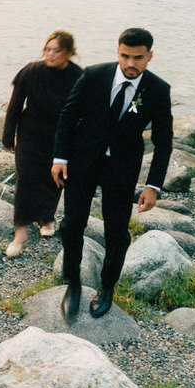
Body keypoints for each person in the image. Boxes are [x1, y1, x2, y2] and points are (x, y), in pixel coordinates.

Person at [52, 27, 173, 322]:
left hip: (122, 169)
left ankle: (107, 287)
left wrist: (153, 185)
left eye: (138, 58)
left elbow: (164, 141)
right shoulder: (94, 76)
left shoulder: (158, 90)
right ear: (117, 52)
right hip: (82, 162)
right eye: (125, 56)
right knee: (71, 226)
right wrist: (60, 157)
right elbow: (68, 115)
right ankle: (74, 284)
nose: (130, 64)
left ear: (150, 56)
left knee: (116, 233)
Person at [1, 31, 83, 259]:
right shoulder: (31, 71)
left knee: (54, 179)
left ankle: (46, 218)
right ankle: (21, 232)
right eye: (48, 49)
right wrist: (8, 134)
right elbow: (15, 104)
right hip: (30, 134)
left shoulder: (78, 76)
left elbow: (84, 112)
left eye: (56, 51)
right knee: (26, 178)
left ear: (68, 53)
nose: (51, 54)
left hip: (60, 137)